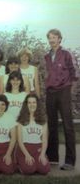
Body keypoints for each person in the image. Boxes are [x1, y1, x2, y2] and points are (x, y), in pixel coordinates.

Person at [45, 29, 77, 170]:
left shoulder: (66, 54)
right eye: (50, 38)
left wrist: (70, 90)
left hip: (64, 91)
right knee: (51, 125)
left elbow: (74, 72)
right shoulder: (46, 56)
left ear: (59, 39)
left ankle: (70, 161)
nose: (52, 40)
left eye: (54, 37)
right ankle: (52, 158)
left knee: (67, 125)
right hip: (50, 92)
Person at [16, 94, 50, 174]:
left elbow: (44, 140)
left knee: (45, 170)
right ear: (26, 105)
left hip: (38, 149)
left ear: (37, 104)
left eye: (34, 102)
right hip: (25, 148)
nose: (32, 105)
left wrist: (42, 154)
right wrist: (27, 155)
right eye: (29, 103)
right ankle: (19, 162)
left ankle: (41, 160)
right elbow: (19, 141)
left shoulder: (43, 119)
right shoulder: (21, 119)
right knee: (29, 170)